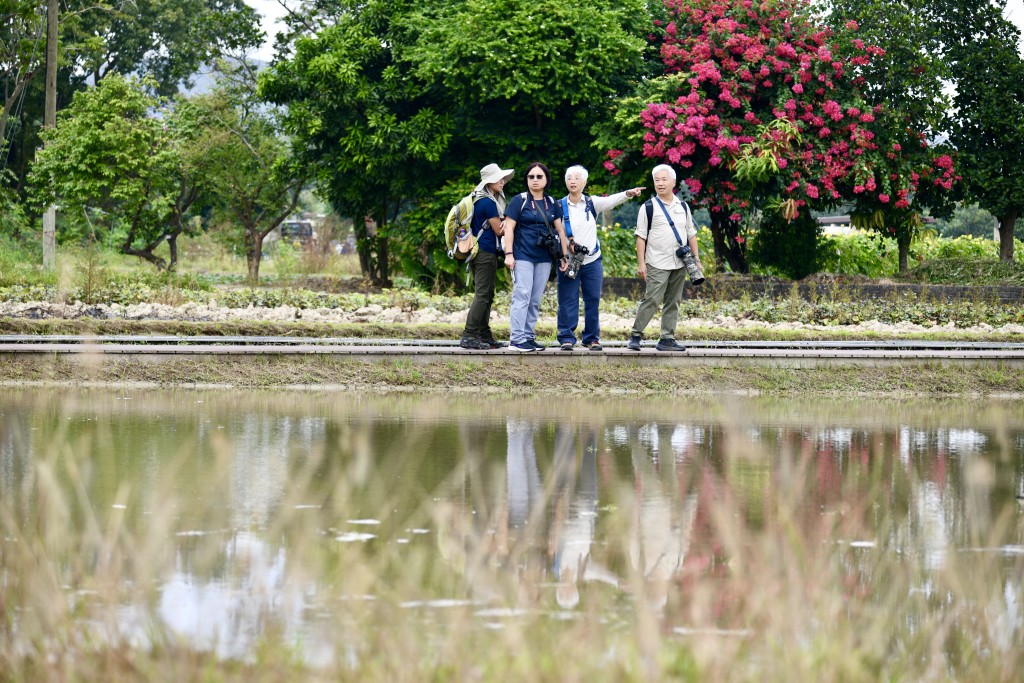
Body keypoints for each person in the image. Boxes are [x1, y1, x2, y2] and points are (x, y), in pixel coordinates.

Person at [556, 166, 645, 352]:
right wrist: (565, 249)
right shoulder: (558, 205)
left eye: (577, 177)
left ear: (584, 182)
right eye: (569, 177)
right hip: (568, 260)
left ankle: (591, 338)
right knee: (567, 299)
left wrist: (628, 193)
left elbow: (611, 201)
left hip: (592, 261)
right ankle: (566, 337)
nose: (572, 181)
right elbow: (555, 231)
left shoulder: (591, 203)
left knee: (593, 299)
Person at [627, 164, 702, 352]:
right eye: (657, 180)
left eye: (663, 179)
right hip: (657, 262)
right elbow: (640, 237)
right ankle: (636, 335)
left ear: (673, 182)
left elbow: (690, 234)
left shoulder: (683, 206)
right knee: (651, 299)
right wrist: (641, 263)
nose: (660, 184)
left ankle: (667, 338)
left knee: (673, 301)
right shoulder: (648, 207)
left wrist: (696, 259)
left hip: (680, 263)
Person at [503, 162, 568, 352]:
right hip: (523, 255)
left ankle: (528, 336)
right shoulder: (520, 200)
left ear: (546, 179)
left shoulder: (551, 202)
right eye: (531, 177)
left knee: (535, 298)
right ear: (527, 180)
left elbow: (560, 230)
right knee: (522, 295)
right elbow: (509, 228)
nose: (535, 180)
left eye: (539, 176)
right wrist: (509, 254)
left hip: (545, 258)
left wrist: (563, 256)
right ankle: (516, 339)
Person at [460, 163, 514, 350]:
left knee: (487, 294)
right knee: (483, 295)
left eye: (502, 178)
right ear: (488, 182)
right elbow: (499, 230)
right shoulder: (488, 203)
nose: (502, 181)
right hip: (485, 252)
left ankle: (484, 334)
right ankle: (469, 335)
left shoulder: (478, 199)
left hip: (479, 251)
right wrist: (511, 221)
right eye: (498, 179)